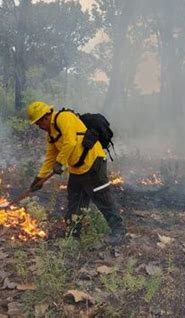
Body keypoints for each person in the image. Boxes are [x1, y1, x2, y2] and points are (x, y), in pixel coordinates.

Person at [26, 101, 126, 245]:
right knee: (75, 201)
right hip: (77, 168)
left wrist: (60, 162)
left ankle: (119, 231)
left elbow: (70, 142)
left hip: (93, 163)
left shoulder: (64, 117)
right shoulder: (51, 135)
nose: (39, 127)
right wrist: (39, 178)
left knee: (102, 198)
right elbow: (50, 157)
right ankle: (73, 233)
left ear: (45, 117)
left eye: (38, 123)